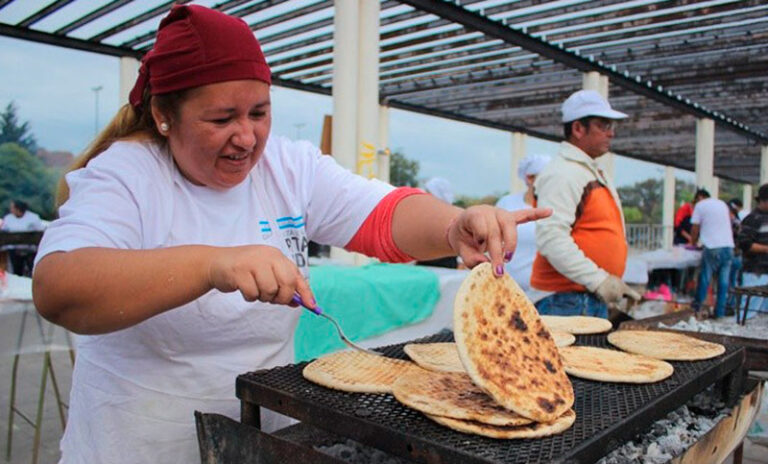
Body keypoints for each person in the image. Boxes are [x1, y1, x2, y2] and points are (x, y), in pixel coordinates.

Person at [30, 6, 549, 463]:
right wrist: (212, 264)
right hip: (144, 441)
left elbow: (380, 214)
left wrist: (451, 224)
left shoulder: (286, 166)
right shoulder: (126, 173)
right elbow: (60, 287)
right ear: (164, 116)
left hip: (262, 436)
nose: (246, 136)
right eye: (221, 118)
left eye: (259, 113)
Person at [530, 90, 640, 318]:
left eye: (612, 126)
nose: (611, 133)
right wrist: (599, 280)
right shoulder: (564, 173)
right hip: (566, 300)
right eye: (603, 125)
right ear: (578, 129)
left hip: (582, 297)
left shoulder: (586, 171)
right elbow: (551, 237)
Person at [496, 154, 551, 293]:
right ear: (530, 178)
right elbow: (489, 236)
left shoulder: (557, 208)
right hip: (505, 289)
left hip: (544, 295)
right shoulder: (507, 203)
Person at [690, 189, 734, 317]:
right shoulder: (722, 204)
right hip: (728, 246)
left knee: (705, 278)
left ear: (700, 197)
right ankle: (719, 312)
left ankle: (697, 308)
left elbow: (695, 227)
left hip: (712, 246)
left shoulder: (700, 205)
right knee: (723, 282)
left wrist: (693, 242)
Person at [737, 184, 768, 312]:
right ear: (763, 201)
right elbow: (745, 244)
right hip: (755, 272)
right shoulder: (752, 219)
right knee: (750, 310)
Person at [417, 177, 458, 268]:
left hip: (444, 272)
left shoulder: (451, 219)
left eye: (428, 193)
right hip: (424, 270)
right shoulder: (424, 215)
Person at [1, 199, 44, 276]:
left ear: (18, 209)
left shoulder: (33, 218)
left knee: (32, 269)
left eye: (12, 208)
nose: (11, 209)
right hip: (14, 249)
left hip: (30, 249)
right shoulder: (8, 218)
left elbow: (39, 231)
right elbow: (4, 233)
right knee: (16, 271)